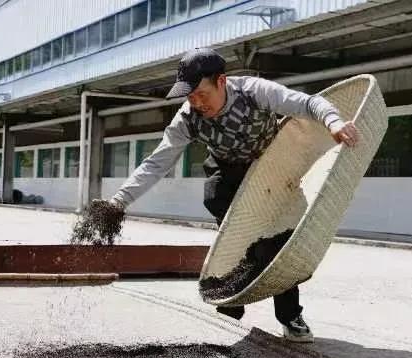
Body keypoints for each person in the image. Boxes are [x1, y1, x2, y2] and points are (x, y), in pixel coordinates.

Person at [106, 48, 358, 342]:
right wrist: (118, 201)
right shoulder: (187, 119)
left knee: (276, 242)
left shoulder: (254, 92)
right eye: (190, 97)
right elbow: (156, 164)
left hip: (270, 169)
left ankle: (290, 316)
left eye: (202, 94)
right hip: (227, 172)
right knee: (229, 223)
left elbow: (308, 103)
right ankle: (230, 306)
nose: (197, 103)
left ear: (221, 81)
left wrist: (334, 122)